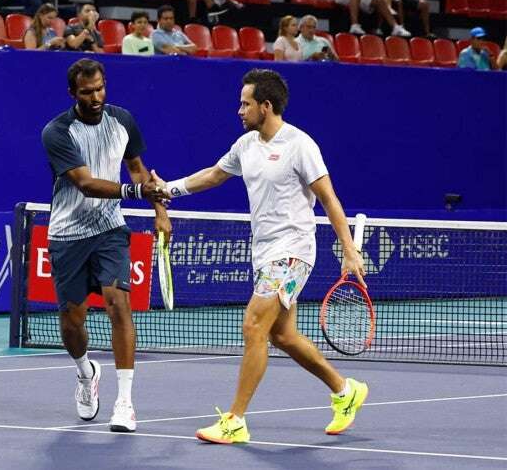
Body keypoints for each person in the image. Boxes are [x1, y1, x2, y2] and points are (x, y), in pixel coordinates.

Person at [151, 69, 368, 444]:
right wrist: (169, 189)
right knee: (282, 336)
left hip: (293, 252)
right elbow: (214, 175)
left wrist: (349, 249)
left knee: (253, 326)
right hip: (264, 253)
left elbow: (329, 198)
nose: (239, 110)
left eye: (246, 103)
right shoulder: (246, 145)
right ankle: (345, 389)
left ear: (265, 106)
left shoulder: (301, 145)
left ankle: (235, 420)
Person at [41, 58, 171, 433]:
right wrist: (136, 191)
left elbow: (137, 169)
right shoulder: (57, 132)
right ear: (72, 94)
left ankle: (125, 403)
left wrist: (159, 210)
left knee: (119, 305)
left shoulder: (123, 120)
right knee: (71, 322)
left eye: (100, 88)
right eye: (87, 92)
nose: (96, 97)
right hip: (67, 234)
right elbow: (86, 183)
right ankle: (86, 372)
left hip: (110, 229)